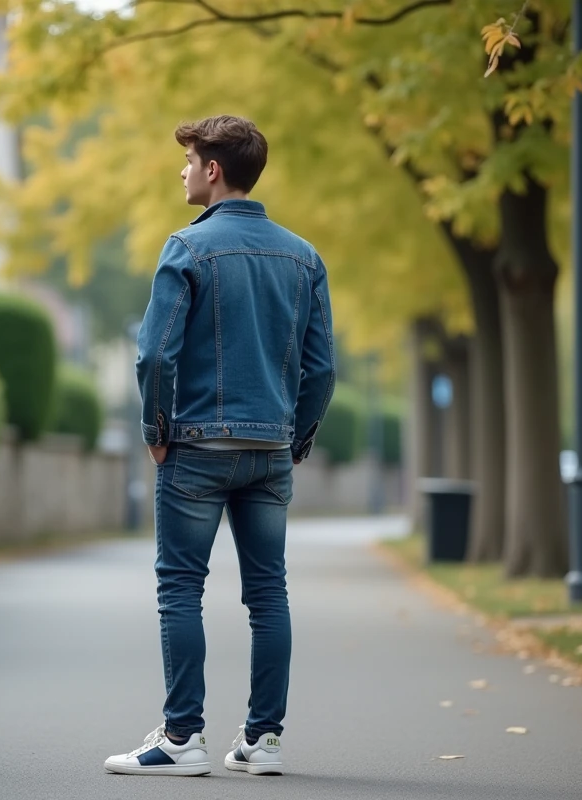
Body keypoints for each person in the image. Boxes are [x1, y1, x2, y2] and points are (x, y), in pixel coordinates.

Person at [103, 115, 336, 777]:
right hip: (269, 451)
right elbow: (321, 372)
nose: (181, 170)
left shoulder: (186, 248)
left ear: (213, 171)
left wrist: (156, 430)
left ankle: (182, 740)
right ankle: (263, 743)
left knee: (180, 589)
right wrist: (297, 437)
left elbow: (154, 355)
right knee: (269, 594)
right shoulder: (304, 257)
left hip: (197, 450)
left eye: (189, 160)